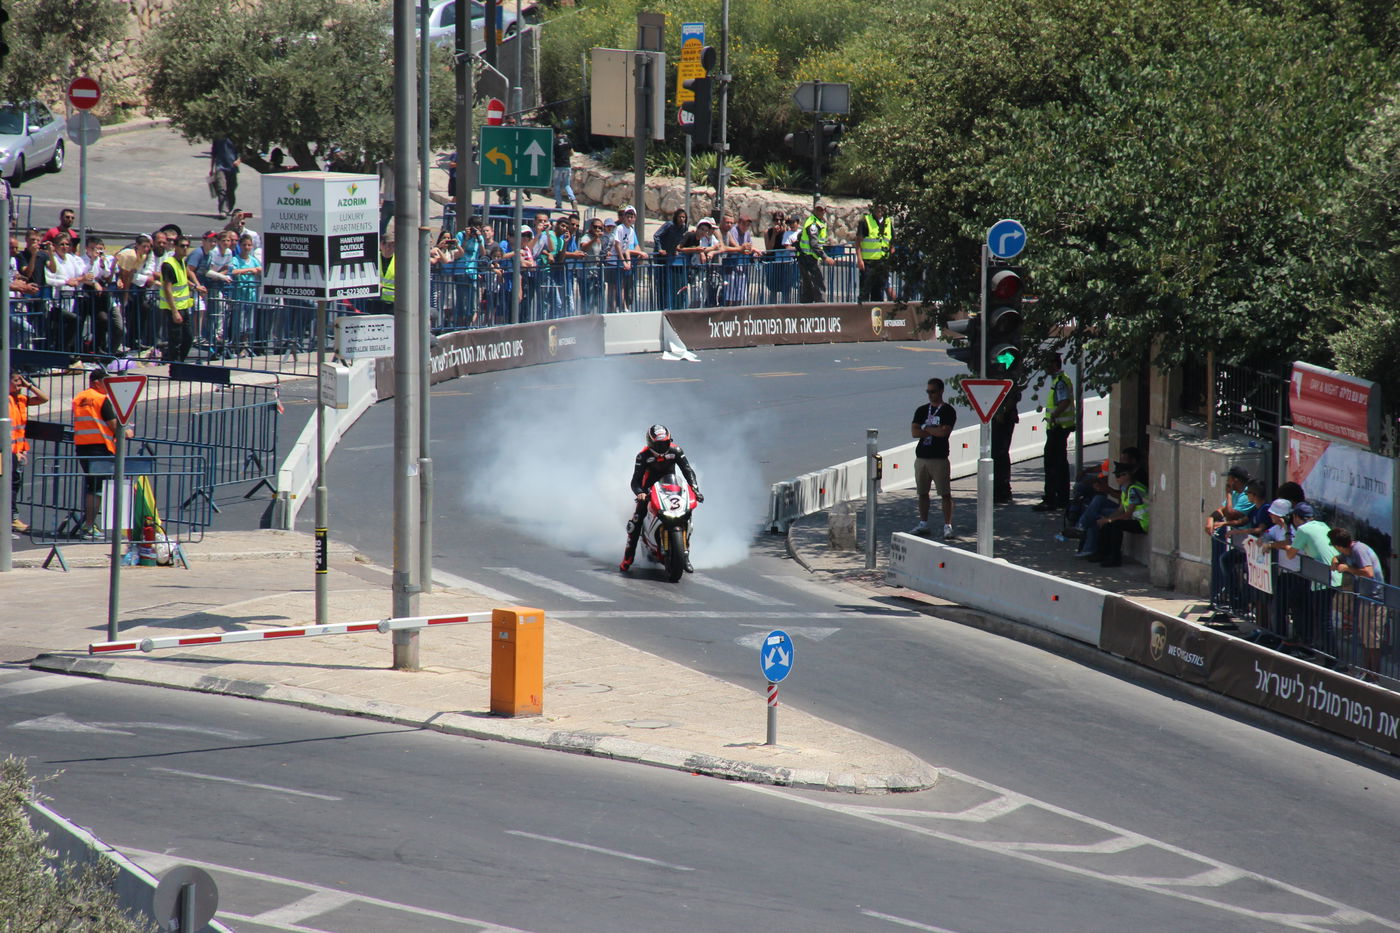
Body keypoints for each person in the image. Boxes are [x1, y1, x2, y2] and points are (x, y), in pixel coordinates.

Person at [620, 424, 702, 573]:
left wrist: (695, 490)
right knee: (635, 522)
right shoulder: (642, 456)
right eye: (659, 444)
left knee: (687, 514)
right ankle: (627, 560)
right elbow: (635, 481)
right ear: (650, 443)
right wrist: (640, 493)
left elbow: (688, 471)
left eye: (665, 442)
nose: (663, 446)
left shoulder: (676, 450)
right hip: (649, 492)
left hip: (672, 488)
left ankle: (685, 555)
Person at [72, 369, 133, 539]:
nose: (109, 386)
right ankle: (89, 526)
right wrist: (126, 432)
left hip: (83, 446)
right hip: (100, 448)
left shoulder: (80, 397)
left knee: (93, 486)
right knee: (97, 489)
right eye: (106, 382)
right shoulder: (101, 399)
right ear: (96, 382)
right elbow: (114, 426)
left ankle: (90, 524)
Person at [1280, 502, 1340, 650]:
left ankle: (1332, 659)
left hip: (1321, 578)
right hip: (1334, 576)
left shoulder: (1303, 529)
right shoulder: (1322, 526)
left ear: (1295, 517)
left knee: (1324, 621)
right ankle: (1314, 648)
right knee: (1319, 617)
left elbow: (1290, 554)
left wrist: (1284, 545)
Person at [1329, 528, 1388, 674]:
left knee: (1372, 639)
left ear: (1339, 545)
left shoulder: (1358, 550)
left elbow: (1368, 572)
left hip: (1375, 599)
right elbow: (1338, 558)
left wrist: (1348, 569)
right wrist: (1336, 561)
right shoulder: (1349, 550)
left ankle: (1373, 676)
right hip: (1365, 597)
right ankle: (1366, 671)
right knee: (1366, 638)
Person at [911, 377, 956, 539]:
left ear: (941, 391)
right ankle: (923, 523)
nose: (930, 395)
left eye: (933, 391)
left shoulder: (948, 411)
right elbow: (914, 432)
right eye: (928, 392)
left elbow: (944, 433)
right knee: (922, 493)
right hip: (922, 457)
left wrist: (925, 428)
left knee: (945, 493)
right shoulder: (922, 410)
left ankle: (947, 525)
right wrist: (933, 429)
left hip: (939, 458)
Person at [1031, 353, 1076, 512]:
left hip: (1058, 428)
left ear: (1055, 364)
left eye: (1047, 364)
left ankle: (1050, 499)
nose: (1045, 367)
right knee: (1060, 464)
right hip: (1060, 428)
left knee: (1052, 465)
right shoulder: (1060, 380)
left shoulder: (1060, 382)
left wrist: (1053, 417)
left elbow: (1064, 402)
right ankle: (1061, 498)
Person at [9, 372, 48, 533]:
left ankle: (10, 518)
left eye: (20, 381)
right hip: (7, 451)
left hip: (18, 451)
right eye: (16, 381)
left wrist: (29, 385)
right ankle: (10, 518)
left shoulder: (22, 399)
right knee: (9, 486)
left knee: (14, 485)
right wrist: (14, 451)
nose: (19, 384)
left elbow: (44, 398)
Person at [1090, 463, 1149, 567]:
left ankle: (1115, 558)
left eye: (1118, 476)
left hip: (1143, 523)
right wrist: (1107, 519)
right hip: (1135, 520)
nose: (1116, 479)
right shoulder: (1125, 489)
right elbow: (1121, 509)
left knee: (1116, 525)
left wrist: (1110, 520)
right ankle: (1102, 553)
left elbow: (1127, 515)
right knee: (1107, 523)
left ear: (1127, 475)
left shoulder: (1134, 490)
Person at [160, 235, 197, 362]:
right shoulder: (168, 264)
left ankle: (180, 362)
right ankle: (174, 365)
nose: (185, 248)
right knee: (176, 339)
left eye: (187, 246)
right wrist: (174, 311)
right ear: (175, 247)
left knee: (188, 338)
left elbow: (182, 280)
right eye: (182, 246)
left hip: (184, 306)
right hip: (174, 308)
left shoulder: (181, 261)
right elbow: (168, 288)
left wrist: (195, 286)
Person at [796, 203, 835, 303]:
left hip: (808, 257)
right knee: (818, 285)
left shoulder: (819, 222)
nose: (820, 211)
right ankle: (820, 311)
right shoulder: (813, 224)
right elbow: (814, 244)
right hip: (809, 259)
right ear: (814, 210)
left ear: (824, 211)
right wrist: (825, 257)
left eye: (821, 210)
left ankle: (806, 311)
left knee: (808, 287)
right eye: (818, 209)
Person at [855, 202, 894, 302]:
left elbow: (892, 242)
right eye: (877, 207)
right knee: (865, 292)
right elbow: (858, 241)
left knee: (878, 293)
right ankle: (862, 315)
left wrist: (891, 259)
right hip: (868, 262)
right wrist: (859, 259)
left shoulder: (888, 222)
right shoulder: (866, 221)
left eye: (882, 207)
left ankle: (876, 317)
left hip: (882, 263)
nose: (879, 209)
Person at [209, 135, 240, 218]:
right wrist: (211, 169)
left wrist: (238, 160)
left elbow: (242, 152)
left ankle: (229, 206)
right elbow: (213, 154)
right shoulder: (217, 137)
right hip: (220, 166)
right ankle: (223, 210)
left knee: (231, 189)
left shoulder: (235, 136)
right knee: (221, 188)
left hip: (232, 167)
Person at [552, 131, 576, 211]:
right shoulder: (567, 140)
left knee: (557, 185)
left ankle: (559, 204)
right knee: (567, 185)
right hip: (567, 166)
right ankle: (573, 199)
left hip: (558, 167)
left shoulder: (555, 142)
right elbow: (572, 153)